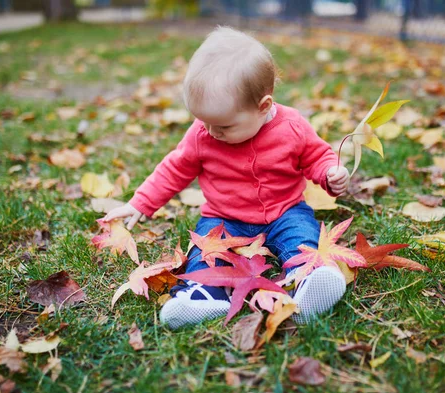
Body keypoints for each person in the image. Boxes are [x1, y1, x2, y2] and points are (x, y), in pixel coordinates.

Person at [103, 26, 350, 330]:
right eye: (204, 121)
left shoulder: (293, 127)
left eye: (224, 126)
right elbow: (175, 168)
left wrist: (330, 173)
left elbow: (316, 156)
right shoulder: (203, 133)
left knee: (302, 237)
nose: (211, 131)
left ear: (264, 107)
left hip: (284, 210)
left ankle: (310, 280)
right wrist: (141, 203)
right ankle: (205, 294)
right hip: (224, 216)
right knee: (207, 249)